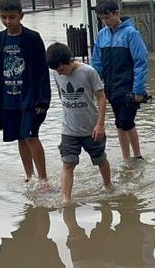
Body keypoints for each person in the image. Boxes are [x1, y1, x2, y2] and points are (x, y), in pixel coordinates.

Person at [0, 0, 50, 187]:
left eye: (12, 17)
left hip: (30, 98)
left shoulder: (33, 39)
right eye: (3, 18)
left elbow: (42, 71)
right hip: (8, 99)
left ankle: (43, 178)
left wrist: (43, 100)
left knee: (31, 135)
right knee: (20, 137)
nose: (8, 21)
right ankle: (29, 174)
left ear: (21, 16)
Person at [46, 42, 111, 204]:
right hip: (69, 129)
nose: (60, 74)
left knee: (100, 159)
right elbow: (61, 94)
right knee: (68, 163)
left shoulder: (88, 72)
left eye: (61, 70)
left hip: (92, 129)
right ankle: (65, 200)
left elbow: (101, 98)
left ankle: (108, 185)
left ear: (70, 61)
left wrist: (100, 124)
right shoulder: (56, 73)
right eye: (56, 71)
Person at [90, 0, 149, 161]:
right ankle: (126, 158)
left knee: (126, 121)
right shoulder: (101, 36)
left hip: (129, 87)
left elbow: (141, 62)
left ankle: (137, 156)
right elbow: (96, 63)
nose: (105, 21)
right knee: (118, 122)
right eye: (102, 19)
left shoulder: (131, 34)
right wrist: (93, 85)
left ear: (117, 13)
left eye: (107, 17)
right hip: (111, 87)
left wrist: (138, 89)